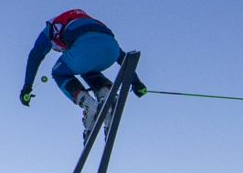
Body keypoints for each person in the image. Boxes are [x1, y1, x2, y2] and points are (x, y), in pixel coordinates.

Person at [20, 9, 148, 137]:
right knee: (88, 69)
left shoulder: (50, 27)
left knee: (58, 72)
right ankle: (105, 92)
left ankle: (87, 103)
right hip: (111, 49)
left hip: (83, 51)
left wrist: (27, 87)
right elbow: (123, 58)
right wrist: (137, 83)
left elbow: (35, 56)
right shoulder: (85, 20)